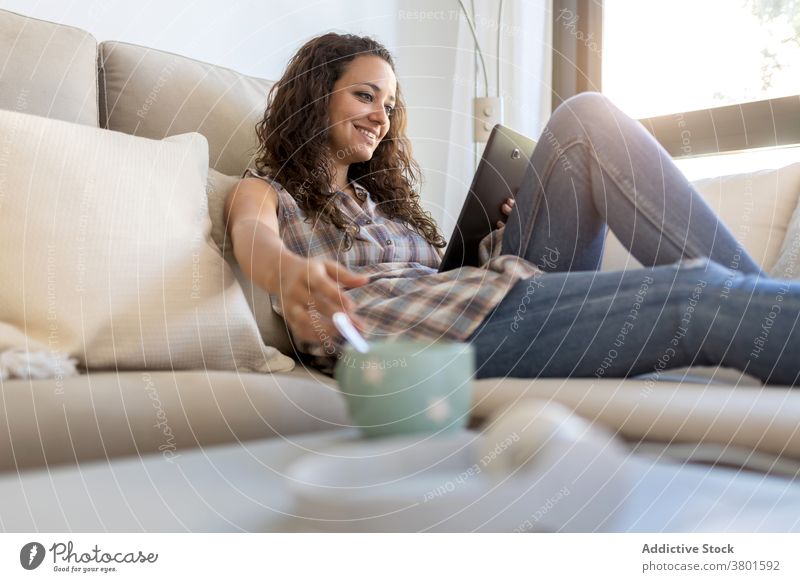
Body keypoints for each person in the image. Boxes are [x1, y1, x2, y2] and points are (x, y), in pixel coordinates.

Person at [225, 32, 800, 385]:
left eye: (390, 103)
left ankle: (770, 312)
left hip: (477, 297)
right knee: (692, 294)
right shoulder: (268, 189)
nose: (382, 115)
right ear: (315, 96)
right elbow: (253, 236)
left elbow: (444, 280)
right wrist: (292, 274)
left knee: (585, 120)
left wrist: (497, 239)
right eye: (365, 95)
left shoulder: (383, 206)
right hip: (421, 344)